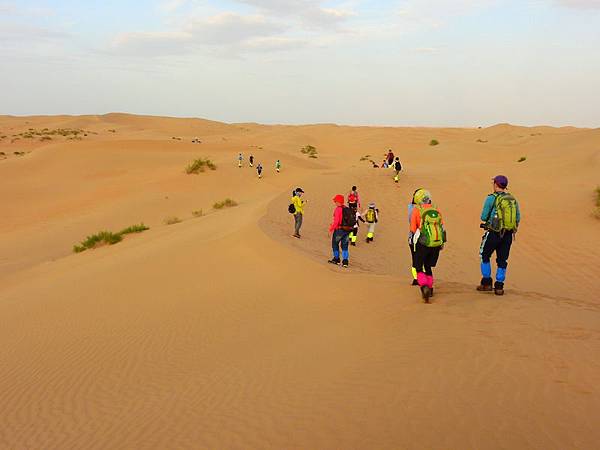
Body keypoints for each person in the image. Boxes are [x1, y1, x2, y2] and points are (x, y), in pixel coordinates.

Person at [477, 175, 521, 296]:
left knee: (484, 255)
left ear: (496, 184)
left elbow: (483, 216)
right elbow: (518, 217)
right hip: (507, 234)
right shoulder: (512, 199)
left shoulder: (491, 198)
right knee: (502, 260)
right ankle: (499, 286)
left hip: (494, 233)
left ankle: (486, 283)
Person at [410, 189, 446, 303]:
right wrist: (442, 243)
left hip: (423, 243)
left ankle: (424, 286)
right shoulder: (436, 210)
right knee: (428, 266)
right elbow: (442, 227)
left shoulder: (417, 210)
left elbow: (413, 228)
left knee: (419, 267)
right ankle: (430, 289)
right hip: (436, 243)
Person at [328, 194, 354, 268]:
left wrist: (331, 229)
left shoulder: (338, 209)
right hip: (347, 230)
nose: (335, 202)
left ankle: (336, 259)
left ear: (338, 201)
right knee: (345, 246)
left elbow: (336, 222)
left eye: (335, 201)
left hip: (339, 230)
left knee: (335, 244)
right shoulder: (346, 208)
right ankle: (345, 262)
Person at [408, 188, 423, 286]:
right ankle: (424, 279)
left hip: (414, 236)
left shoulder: (412, 207)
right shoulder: (431, 208)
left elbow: (411, 221)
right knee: (424, 260)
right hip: (428, 237)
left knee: (415, 259)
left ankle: (416, 278)